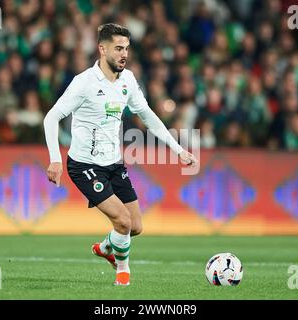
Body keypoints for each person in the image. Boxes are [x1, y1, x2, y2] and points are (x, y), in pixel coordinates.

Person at [43, 23, 198, 286]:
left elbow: (148, 116)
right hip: (84, 165)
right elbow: (51, 117)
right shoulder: (84, 83)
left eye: (126, 48)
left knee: (135, 226)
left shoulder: (127, 80)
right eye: (118, 48)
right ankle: (122, 273)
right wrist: (55, 159)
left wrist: (178, 149)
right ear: (102, 49)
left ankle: (106, 248)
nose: (123, 54)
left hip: (114, 164)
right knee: (123, 221)